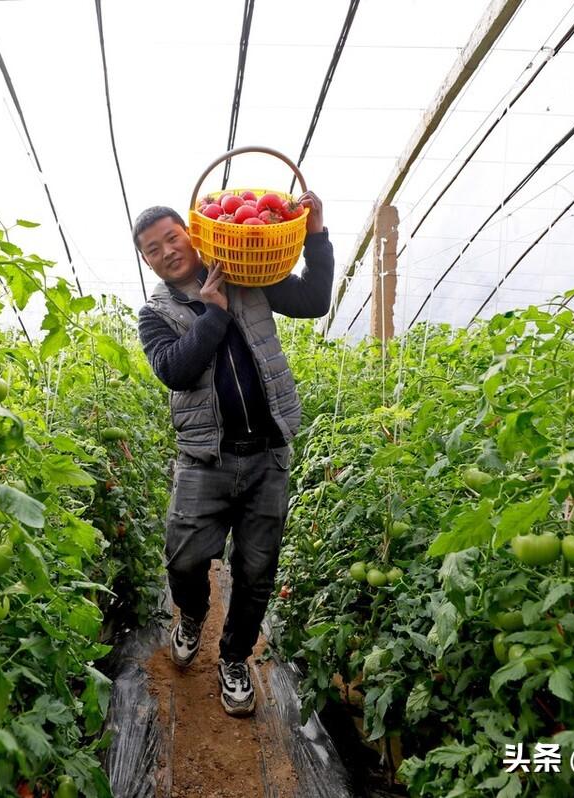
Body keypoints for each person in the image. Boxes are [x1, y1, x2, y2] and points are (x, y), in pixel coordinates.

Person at [134, 192, 334, 716]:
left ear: (191, 233)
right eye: (153, 249)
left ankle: (234, 658)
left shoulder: (248, 273)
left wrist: (316, 236)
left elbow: (314, 302)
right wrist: (213, 314)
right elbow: (175, 369)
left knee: (257, 569)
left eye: (172, 237)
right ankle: (194, 615)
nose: (167, 251)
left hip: (268, 452)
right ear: (147, 260)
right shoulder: (154, 314)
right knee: (185, 558)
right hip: (205, 460)